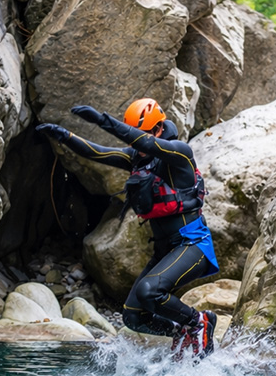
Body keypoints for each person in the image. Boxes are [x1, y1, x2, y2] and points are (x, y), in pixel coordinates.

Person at [36, 99, 219, 360]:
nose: (137, 143)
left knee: (149, 291)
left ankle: (199, 322)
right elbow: (97, 152)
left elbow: (144, 143)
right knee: (133, 316)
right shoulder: (137, 157)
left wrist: (101, 120)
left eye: (143, 134)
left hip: (193, 246)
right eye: (135, 135)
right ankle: (181, 330)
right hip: (165, 249)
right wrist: (64, 135)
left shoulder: (179, 154)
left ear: (158, 130)